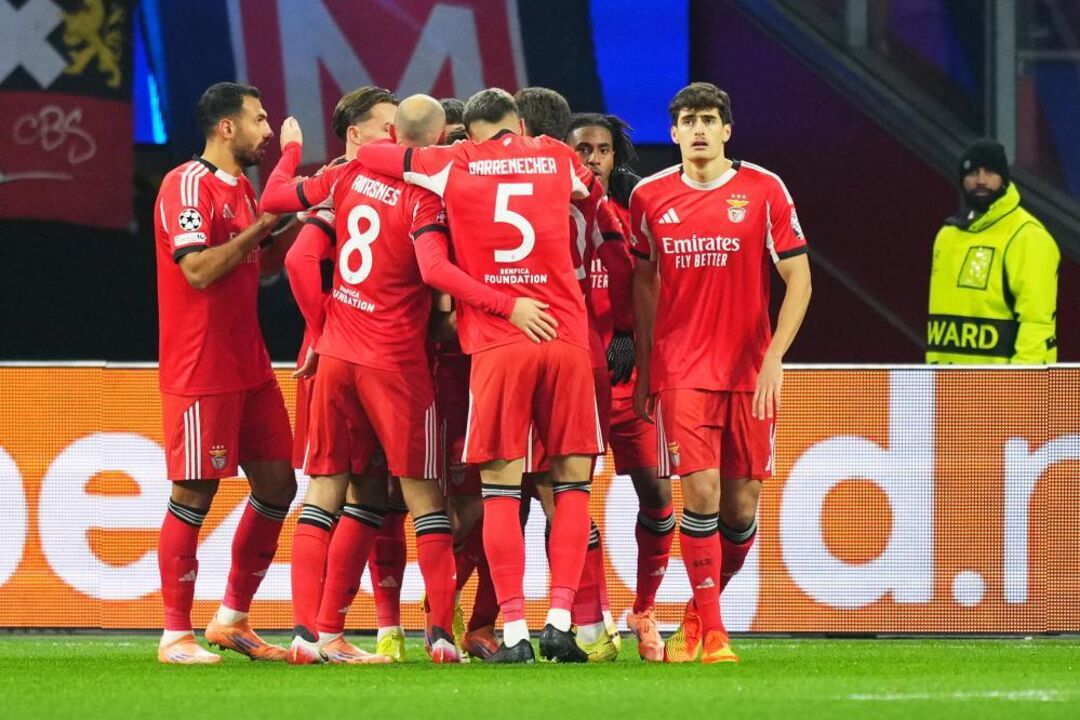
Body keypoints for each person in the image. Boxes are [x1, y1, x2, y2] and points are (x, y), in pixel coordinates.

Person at [356, 88, 603, 664]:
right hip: (564, 336)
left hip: (499, 344)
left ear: (469, 129)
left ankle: (512, 631)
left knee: (500, 491)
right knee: (571, 486)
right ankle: (561, 621)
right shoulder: (556, 156)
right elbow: (587, 190)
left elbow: (373, 159)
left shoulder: (453, 162)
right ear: (517, 122)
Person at [630, 82, 812, 664]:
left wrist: (775, 356)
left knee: (741, 510)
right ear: (675, 131)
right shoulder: (650, 197)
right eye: (689, 120)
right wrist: (646, 366)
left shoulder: (763, 189)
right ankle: (715, 635)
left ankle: (694, 614)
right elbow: (644, 282)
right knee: (701, 494)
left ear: (727, 130)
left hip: (748, 372)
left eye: (710, 119)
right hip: (684, 371)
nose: (700, 129)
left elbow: (800, 281)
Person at [153, 82, 297, 664]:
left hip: (250, 366)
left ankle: (232, 618)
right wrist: (263, 227)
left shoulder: (241, 187)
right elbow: (199, 271)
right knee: (194, 491)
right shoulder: (185, 184)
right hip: (201, 366)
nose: (268, 130)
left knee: (278, 486)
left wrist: (305, 223)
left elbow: (256, 270)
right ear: (227, 127)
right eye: (260, 120)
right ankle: (174, 634)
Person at [283, 86, 404, 664]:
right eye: (385, 128)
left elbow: (285, 221)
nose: (395, 138)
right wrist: (324, 320)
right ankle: (320, 629)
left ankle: (311, 635)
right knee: (356, 490)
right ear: (355, 135)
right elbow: (298, 257)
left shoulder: (339, 178)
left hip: (335, 353)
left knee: (343, 490)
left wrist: (325, 326)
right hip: (367, 355)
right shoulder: (352, 177)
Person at [567, 112, 672, 662]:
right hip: (574, 379)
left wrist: (636, 345)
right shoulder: (549, 215)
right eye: (583, 148)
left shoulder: (633, 216)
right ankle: (593, 618)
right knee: (570, 498)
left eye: (603, 150)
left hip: (629, 379)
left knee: (658, 494)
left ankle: (645, 609)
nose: (593, 159)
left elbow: (654, 291)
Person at [926, 140, 1059, 364]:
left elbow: (1037, 323)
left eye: (990, 172)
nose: (981, 180)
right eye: (973, 172)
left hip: (1002, 391)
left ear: (1004, 180)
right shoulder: (947, 236)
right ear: (961, 180)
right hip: (946, 388)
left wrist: (1019, 387)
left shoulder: (1027, 236)